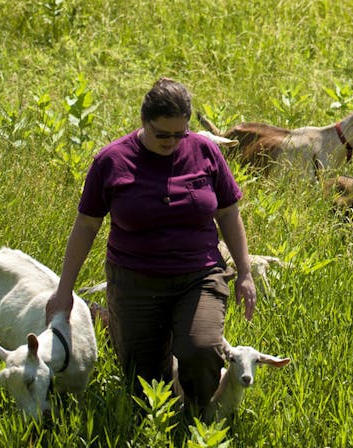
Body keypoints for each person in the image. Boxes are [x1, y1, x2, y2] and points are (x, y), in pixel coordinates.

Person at [44, 78, 256, 418]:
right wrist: (64, 290)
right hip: (135, 282)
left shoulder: (204, 151)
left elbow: (229, 212)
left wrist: (244, 272)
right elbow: (86, 225)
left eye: (180, 134)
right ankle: (162, 412)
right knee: (143, 386)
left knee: (201, 349)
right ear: (144, 123)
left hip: (198, 275)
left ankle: (198, 414)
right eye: (162, 135)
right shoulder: (112, 161)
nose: (172, 142)